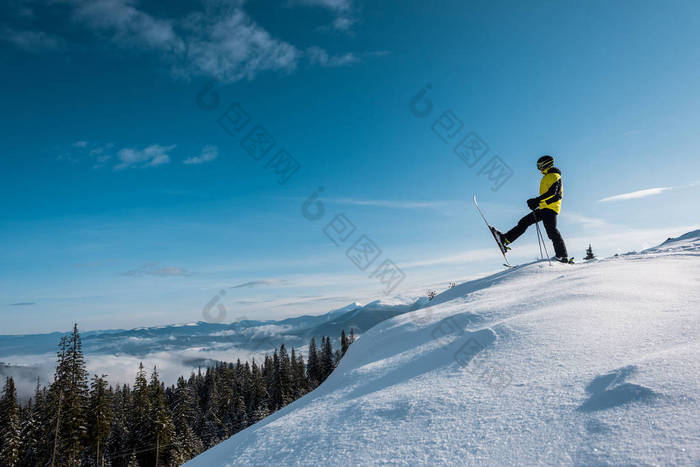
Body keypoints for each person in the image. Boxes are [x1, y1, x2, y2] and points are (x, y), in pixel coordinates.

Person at [495, 155, 570, 263]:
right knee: (524, 222)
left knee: (552, 231)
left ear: (546, 164)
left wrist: (537, 200)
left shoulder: (554, 175)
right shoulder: (547, 176)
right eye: (538, 166)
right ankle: (505, 240)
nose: (539, 168)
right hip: (544, 208)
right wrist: (537, 203)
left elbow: (554, 193)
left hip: (550, 209)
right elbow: (547, 194)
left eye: (540, 165)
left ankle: (562, 256)